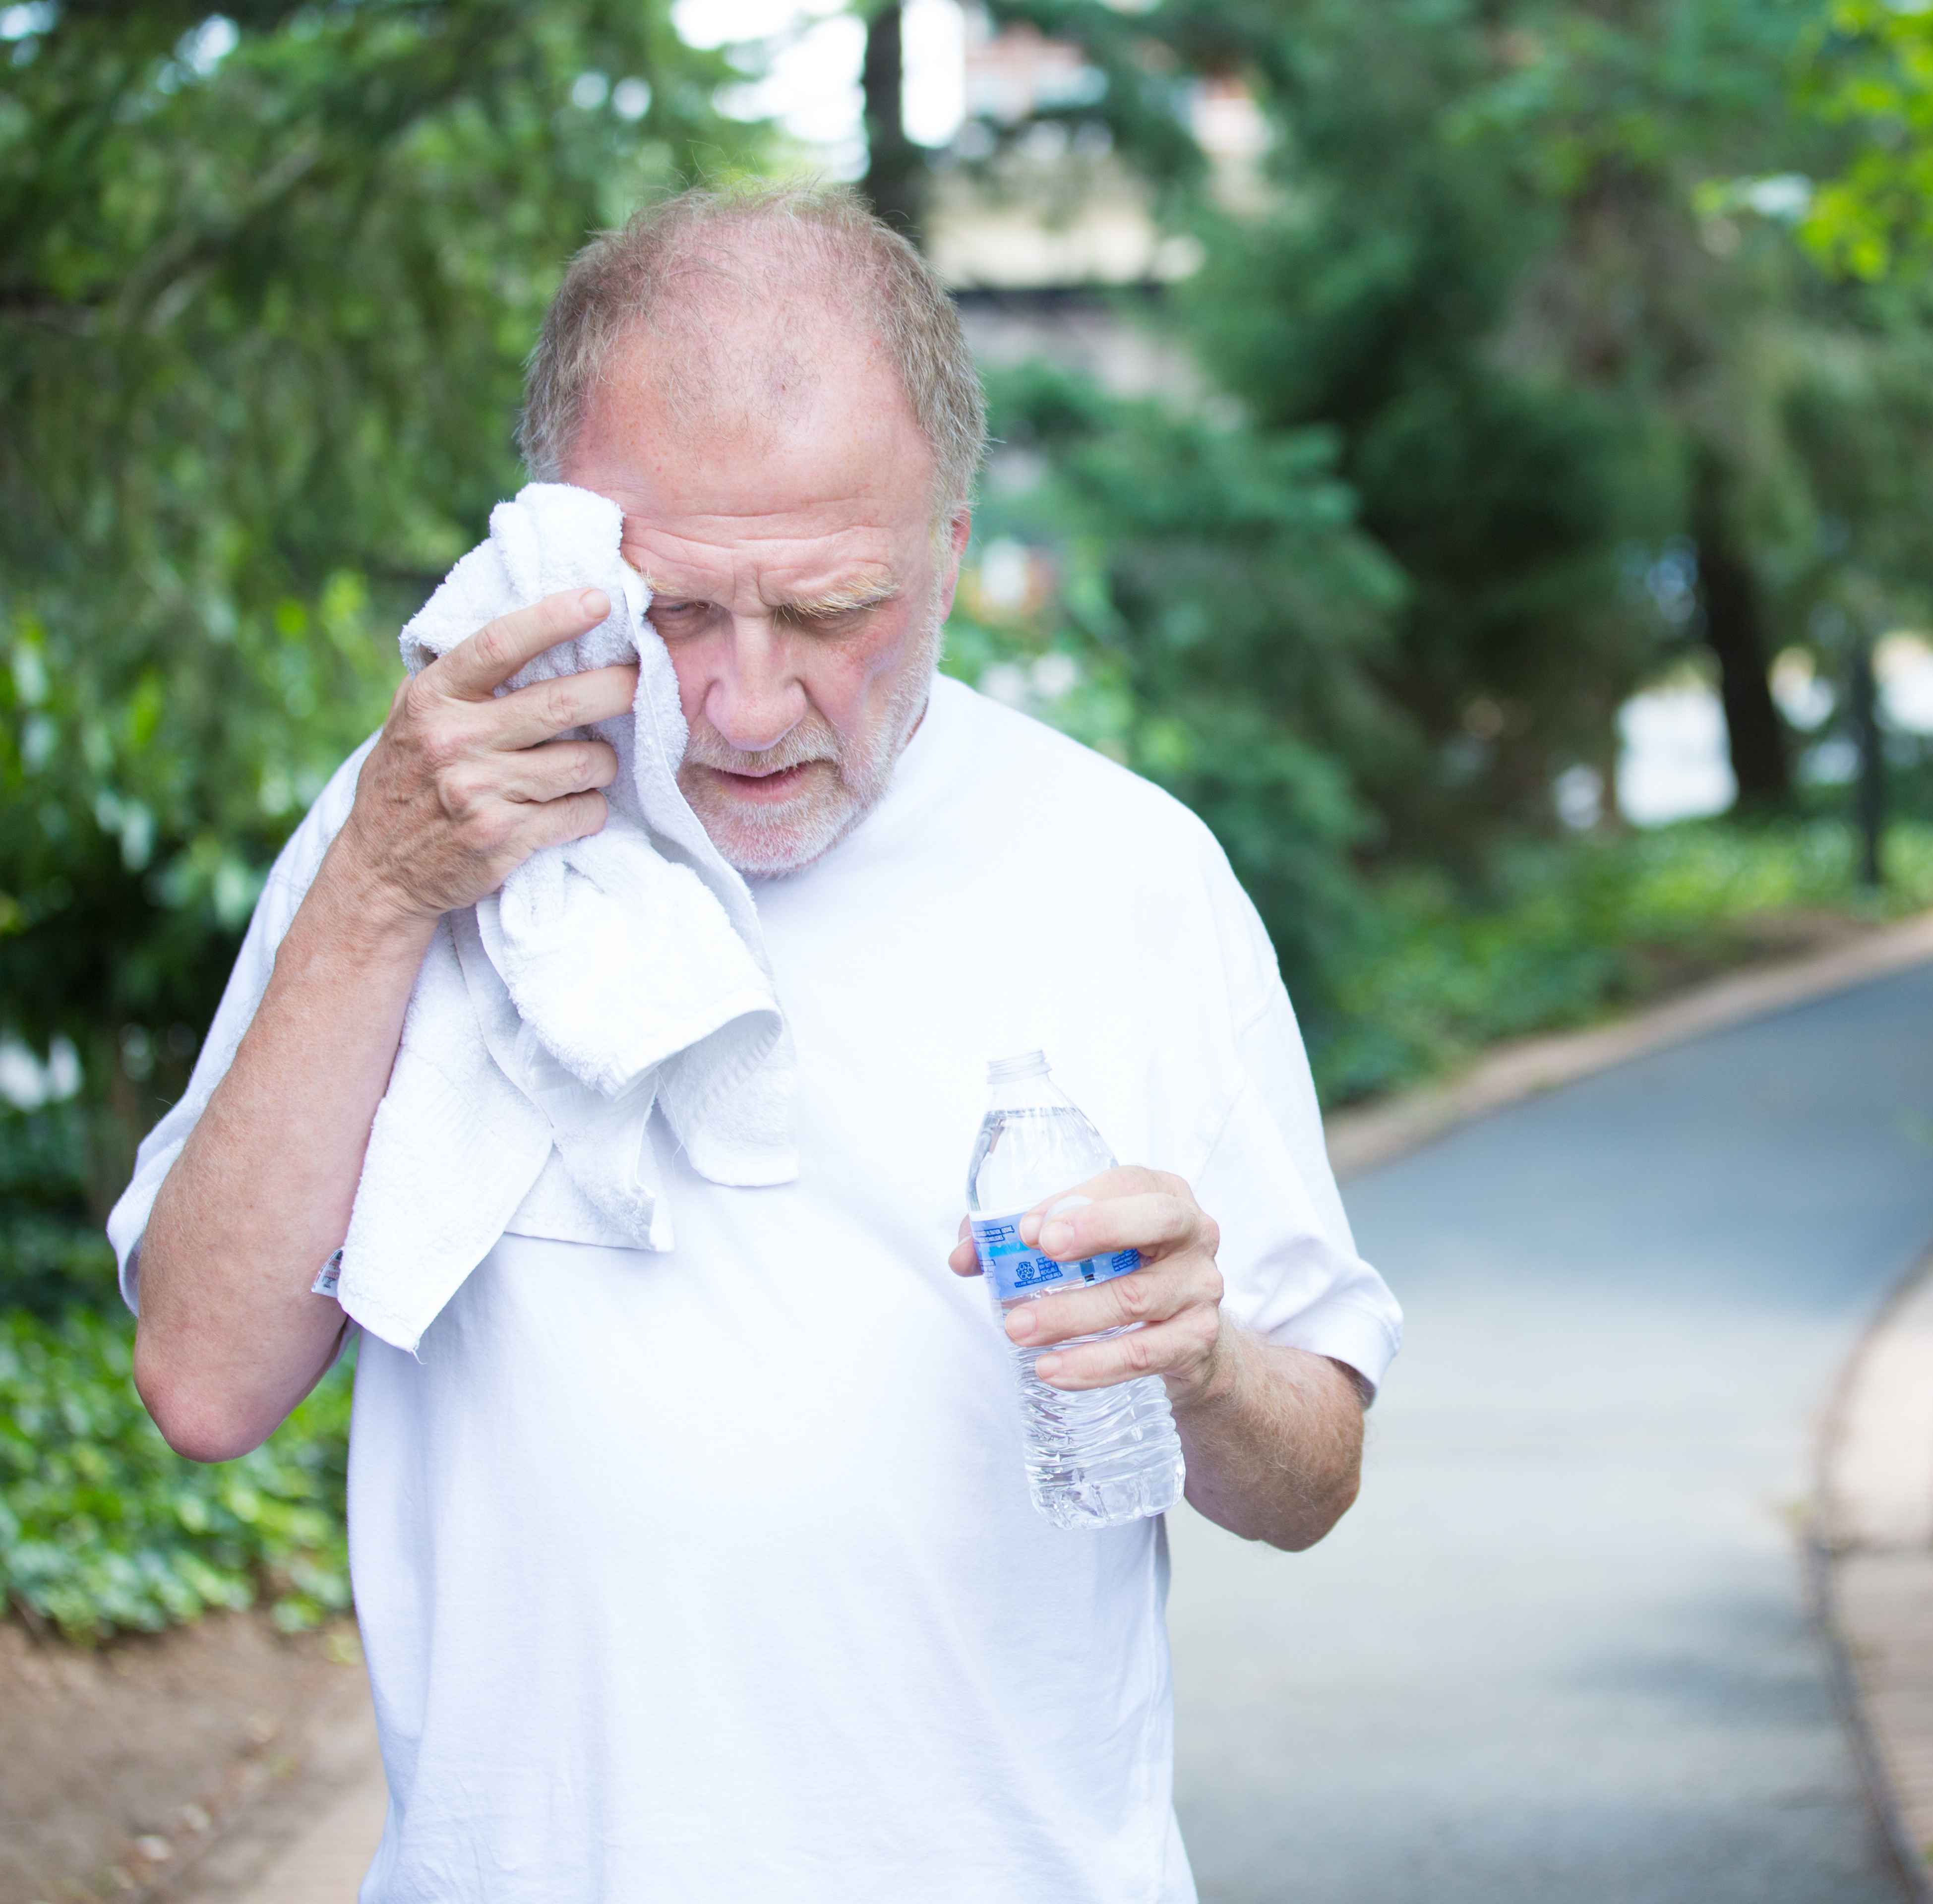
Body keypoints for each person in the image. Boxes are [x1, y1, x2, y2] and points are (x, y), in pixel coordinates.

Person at [106, 182, 1401, 1903]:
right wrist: (383, 884)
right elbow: (203, 1378)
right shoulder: (423, 821)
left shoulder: (1128, 871)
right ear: (560, 549)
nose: (744, 702)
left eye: (827, 611)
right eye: (678, 612)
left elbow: (1311, 1474)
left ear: (947, 547)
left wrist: (1205, 1361)